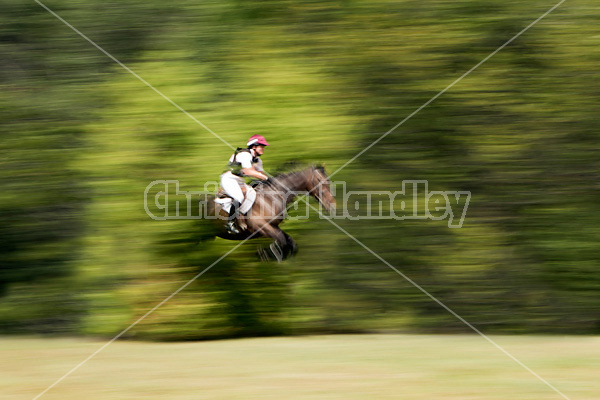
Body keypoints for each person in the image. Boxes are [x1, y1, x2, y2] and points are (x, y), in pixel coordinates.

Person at [220, 134, 270, 234]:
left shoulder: (258, 160)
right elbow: (249, 171)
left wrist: (271, 181)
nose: (263, 149)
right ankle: (230, 223)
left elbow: (261, 173)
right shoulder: (244, 154)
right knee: (239, 197)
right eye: (261, 146)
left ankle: (245, 218)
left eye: (263, 147)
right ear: (254, 146)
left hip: (239, 181)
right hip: (229, 179)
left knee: (253, 194)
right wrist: (266, 178)